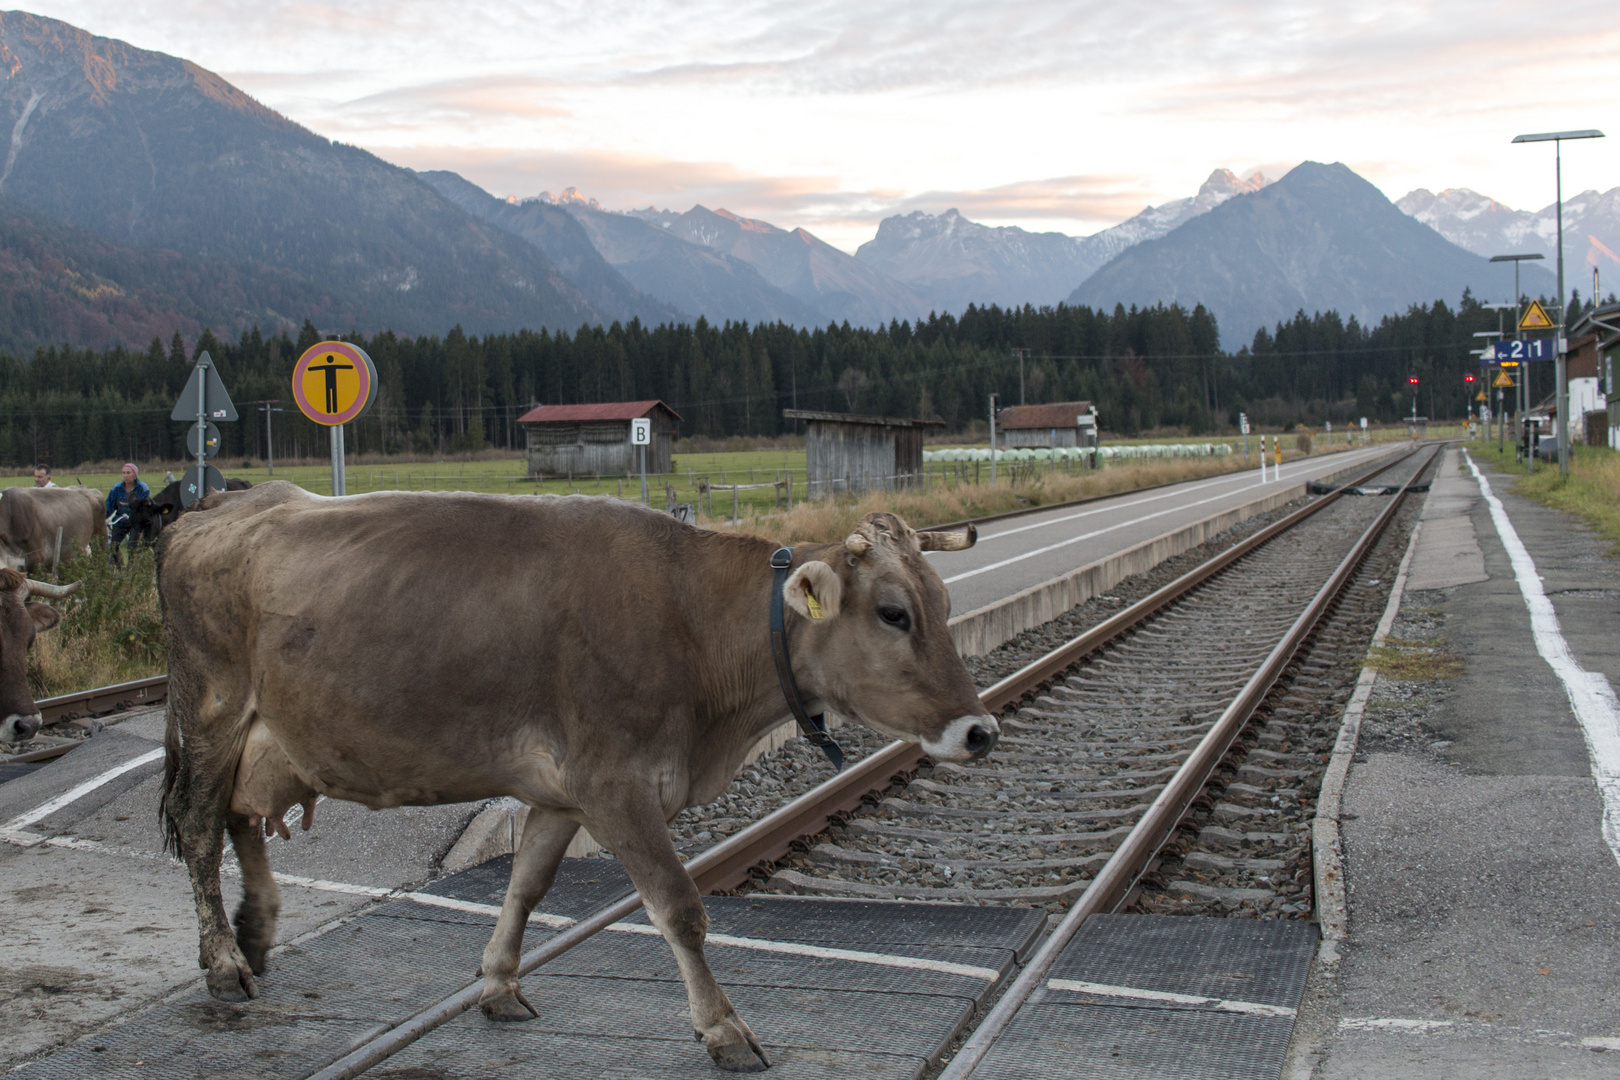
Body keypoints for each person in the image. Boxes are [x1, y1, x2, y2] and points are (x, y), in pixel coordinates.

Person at [106, 463, 150, 567]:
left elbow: (145, 507)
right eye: (124, 473)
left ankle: (131, 569)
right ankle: (120, 568)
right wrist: (102, 517)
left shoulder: (142, 488)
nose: (125, 475)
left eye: (128, 473)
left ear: (135, 475)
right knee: (113, 546)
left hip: (135, 522)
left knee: (132, 546)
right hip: (120, 520)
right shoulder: (116, 489)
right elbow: (110, 505)